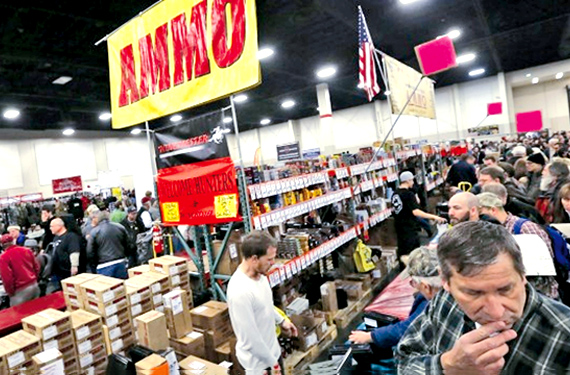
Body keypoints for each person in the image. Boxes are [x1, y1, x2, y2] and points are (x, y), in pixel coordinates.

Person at [395, 221, 570, 374]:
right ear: (445, 282)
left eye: (505, 289)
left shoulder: (564, 334)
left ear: (523, 274)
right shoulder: (444, 301)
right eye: (473, 293)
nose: (495, 312)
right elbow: (404, 360)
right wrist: (446, 366)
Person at [227, 231, 298, 375]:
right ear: (254, 259)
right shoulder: (239, 291)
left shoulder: (261, 277)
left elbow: (264, 305)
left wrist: (281, 320)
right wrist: (272, 364)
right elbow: (250, 340)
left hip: (273, 355)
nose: (273, 263)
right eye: (269, 259)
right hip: (259, 366)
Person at [349, 246, 441, 350]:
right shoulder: (446, 292)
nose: (412, 286)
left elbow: (407, 329)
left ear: (426, 286)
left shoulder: (430, 304)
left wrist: (370, 336)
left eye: (413, 282)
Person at [477, 192, 558, 299]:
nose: (479, 218)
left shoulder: (525, 227)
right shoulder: (495, 229)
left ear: (493, 210)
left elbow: (544, 265)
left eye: (481, 213)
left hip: (539, 295)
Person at [391, 171, 446, 264]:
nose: (413, 182)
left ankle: (403, 270)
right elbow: (416, 211)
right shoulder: (408, 194)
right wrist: (434, 217)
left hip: (399, 225)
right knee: (412, 251)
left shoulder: (395, 193)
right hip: (409, 226)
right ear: (407, 181)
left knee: (402, 249)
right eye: (412, 180)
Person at [0, 234, 40, 306]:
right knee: (35, 312)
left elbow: (7, 278)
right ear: (13, 241)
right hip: (34, 285)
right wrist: (35, 279)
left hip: (20, 290)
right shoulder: (26, 250)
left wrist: (10, 292)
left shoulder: (4, 257)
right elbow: (36, 267)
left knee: (19, 315)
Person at [87, 211, 129, 279]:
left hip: (104, 265)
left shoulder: (94, 232)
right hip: (120, 261)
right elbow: (128, 244)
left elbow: (90, 251)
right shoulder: (120, 227)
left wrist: (93, 266)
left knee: (108, 287)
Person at [47, 218, 82, 293]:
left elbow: (74, 251)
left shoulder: (71, 236)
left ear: (59, 226)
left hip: (67, 272)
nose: (50, 228)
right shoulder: (55, 238)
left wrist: (74, 265)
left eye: (52, 226)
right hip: (58, 272)